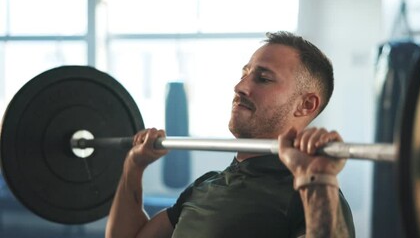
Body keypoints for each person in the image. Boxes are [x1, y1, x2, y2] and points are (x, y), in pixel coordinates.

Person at [105, 31, 355, 238]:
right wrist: (134, 166)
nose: (240, 87)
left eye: (263, 78)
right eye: (244, 74)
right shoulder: (206, 185)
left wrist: (319, 183)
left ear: (306, 105)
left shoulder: (308, 195)